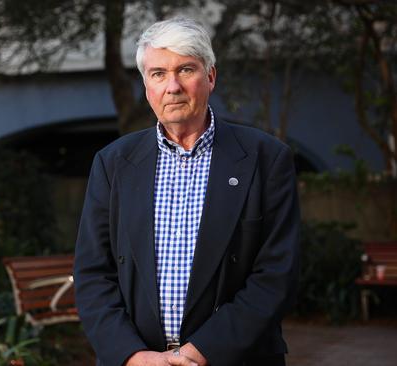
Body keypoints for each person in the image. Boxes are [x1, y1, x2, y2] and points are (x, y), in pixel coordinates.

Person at [73, 16, 300, 366]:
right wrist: (134, 356)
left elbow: (276, 274)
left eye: (186, 70)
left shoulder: (266, 158)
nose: (172, 86)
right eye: (158, 73)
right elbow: (93, 274)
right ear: (146, 85)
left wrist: (200, 352)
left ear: (210, 76)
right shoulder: (113, 163)